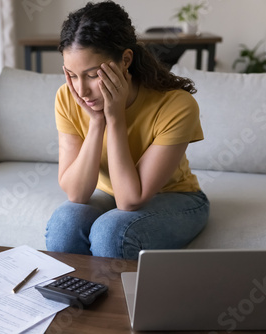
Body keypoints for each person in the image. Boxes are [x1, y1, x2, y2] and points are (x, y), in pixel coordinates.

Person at [45, 1, 210, 260]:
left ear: (125, 60)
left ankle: (116, 301)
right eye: (72, 75)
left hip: (177, 198)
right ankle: (77, 299)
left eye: (91, 75)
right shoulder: (67, 98)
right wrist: (97, 123)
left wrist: (115, 117)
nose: (81, 90)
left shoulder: (177, 105)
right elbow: (76, 193)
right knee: (64, 224)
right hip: (112, 194)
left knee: (111, 233)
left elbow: (130, 201)